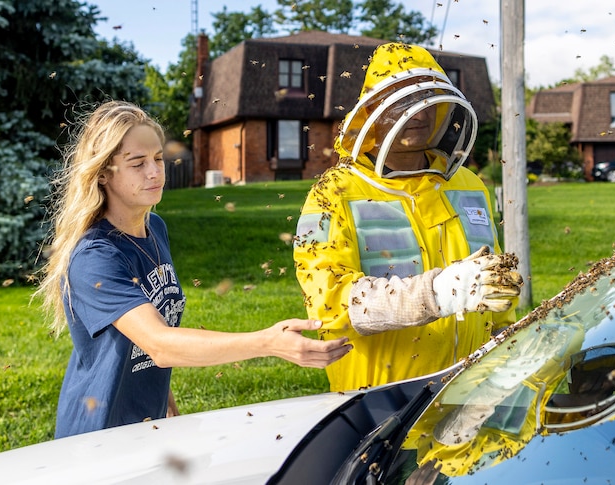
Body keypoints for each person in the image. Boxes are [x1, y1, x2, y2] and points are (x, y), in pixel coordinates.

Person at [35, 100, 351, 439]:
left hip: (145, 426)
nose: (155, 172)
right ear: (102, 175)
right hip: (97, 437)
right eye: (137, 163)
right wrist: (269, 343)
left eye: (157, 158)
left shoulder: (154, 228)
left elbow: (146, 334)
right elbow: (159, 343)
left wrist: (159, 395)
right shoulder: (95, 256)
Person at [294, 42, 523, 392]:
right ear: (372, 110)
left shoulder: (469, 184)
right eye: (401, 101)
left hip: (473, 393)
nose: (417, 113)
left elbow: (494, 292)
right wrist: (436, 294)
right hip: (383, 403)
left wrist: (512, 340)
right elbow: (329, 303)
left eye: (425, 98)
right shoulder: (333, 192)